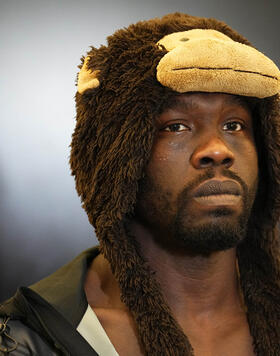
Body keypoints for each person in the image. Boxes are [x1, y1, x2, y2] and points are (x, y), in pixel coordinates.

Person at [1, 12, 280, 356]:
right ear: (117, 159)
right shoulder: (29, 340)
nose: (218, 150)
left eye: (234, 125)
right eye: (176, 126)